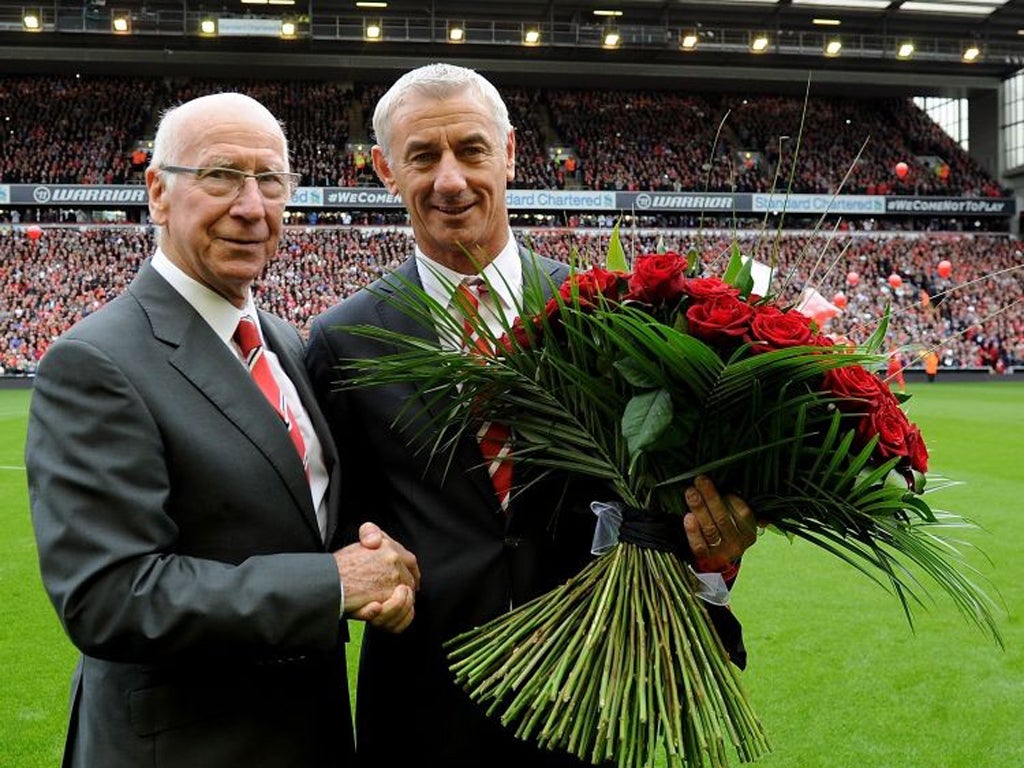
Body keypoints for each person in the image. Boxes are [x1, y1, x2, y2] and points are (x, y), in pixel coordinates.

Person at [306, 63, 757, 768]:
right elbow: (337, 537)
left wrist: (713, 550)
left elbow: (658, 509)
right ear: (385, 170)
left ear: (510, 153)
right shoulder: (343, 341)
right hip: (425, 720)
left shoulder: (606, 317)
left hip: (592, 711)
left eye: (472, 150)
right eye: (422, 157)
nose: (449, 180)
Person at [26, 92, 419, 768]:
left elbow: (298, 517)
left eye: (270, 180)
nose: (251, 206)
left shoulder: (285, 342)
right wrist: (331, 586)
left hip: (308, 733)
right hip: (187, 746)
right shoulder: (96, 360)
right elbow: (108, 597)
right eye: (220, 176)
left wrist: (383, 565)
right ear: (157, 192)